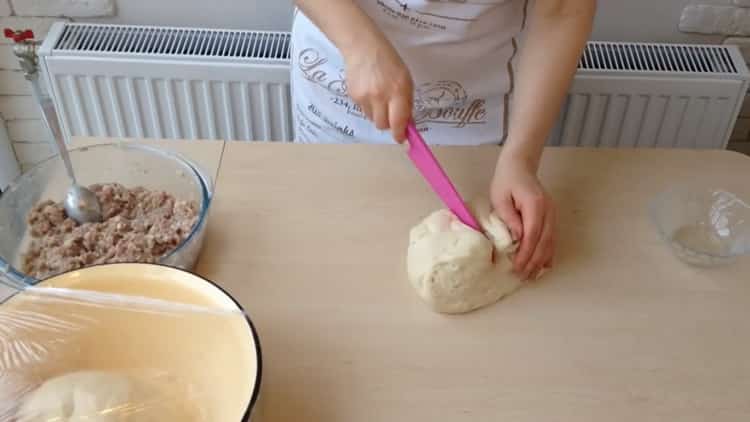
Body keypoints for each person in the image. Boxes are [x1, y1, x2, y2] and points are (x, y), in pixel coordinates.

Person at [291, 0, 596, 279]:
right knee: (333, 251)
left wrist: (521, 158)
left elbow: (564, 8)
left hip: (470, 107)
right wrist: (359, 44)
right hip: (337, 73)